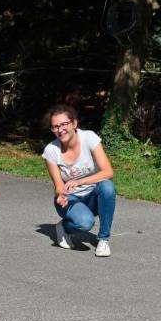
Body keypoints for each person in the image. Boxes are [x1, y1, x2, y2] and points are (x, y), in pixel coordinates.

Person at [42, 104, 116, 257]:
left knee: (107, 187)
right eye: (55, 127)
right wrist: (61, 195)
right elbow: (58, 186)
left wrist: (81, 181)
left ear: (74, 123)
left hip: (93, 195)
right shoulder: (51, 151)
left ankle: (103, 239)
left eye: (64, 124)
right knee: (85, 223)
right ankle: (65, 227)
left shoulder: (89, 137)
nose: (60, 130)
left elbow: (108, 172)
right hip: (71, 199)